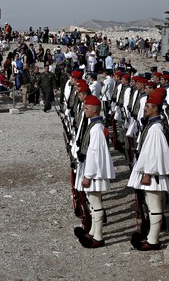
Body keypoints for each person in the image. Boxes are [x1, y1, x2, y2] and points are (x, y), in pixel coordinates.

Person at [127, 93, 169, 250]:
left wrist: (147, 173)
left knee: (154, 207)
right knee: (153, 205)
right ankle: (151, 237)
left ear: (155, 108)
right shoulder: (152, 125)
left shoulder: (155, 128)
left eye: (148, 106)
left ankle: (153, 240)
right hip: (150, 173)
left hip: (152, 174)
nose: (145, 109)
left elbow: (154, 154)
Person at [73, 95, 116, 249]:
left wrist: (88, 175)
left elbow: (94, 153)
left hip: (94, 173)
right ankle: (92, 231)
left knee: (96, 203)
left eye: (86, 108)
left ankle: (98, 237)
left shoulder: (96, 128)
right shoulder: (93, 125)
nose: (84, 110)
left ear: (95, 109)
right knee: (92, 202)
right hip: (91, 170)